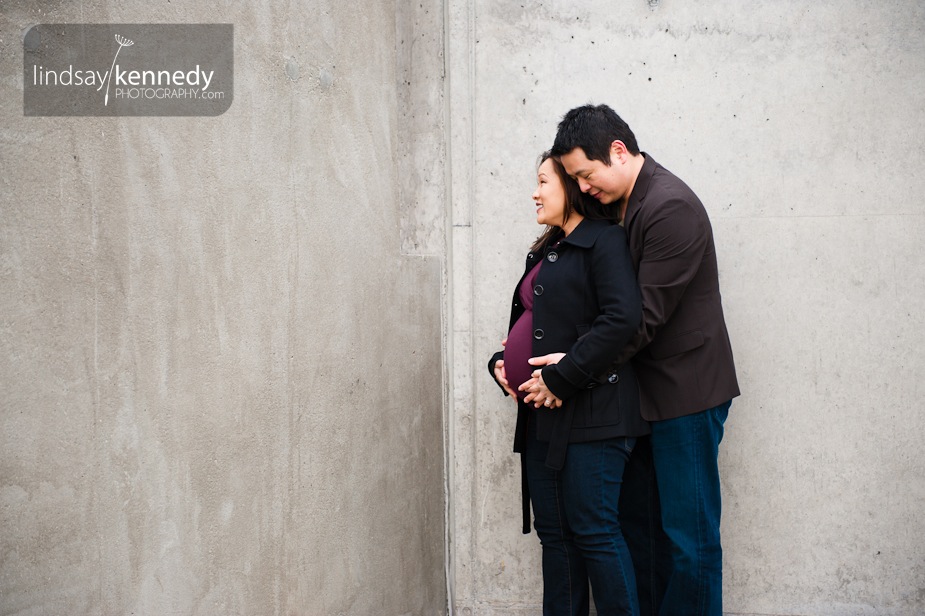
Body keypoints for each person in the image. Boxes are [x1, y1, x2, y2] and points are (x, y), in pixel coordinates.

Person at [526, 104, 740, 615]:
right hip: (635, 400)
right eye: (573, 178)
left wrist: (569, 371)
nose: (583, 186)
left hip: (684, 396)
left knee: (690, 543)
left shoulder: (671, 208)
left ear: (618, 151)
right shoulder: (621, 203)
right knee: (642, 537)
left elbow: (638, 318)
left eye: (585, 173)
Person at [488, 152, 649, 615]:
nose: (534, 193)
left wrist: (562, 373)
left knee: (595, 531)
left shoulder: (604, 241)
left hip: (595, 414)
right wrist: (502, 361)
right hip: (543, 415)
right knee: (555, 535)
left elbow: (622, 318)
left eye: (543, 182)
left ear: (572, 187)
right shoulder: (546, 249)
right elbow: (531, 324)